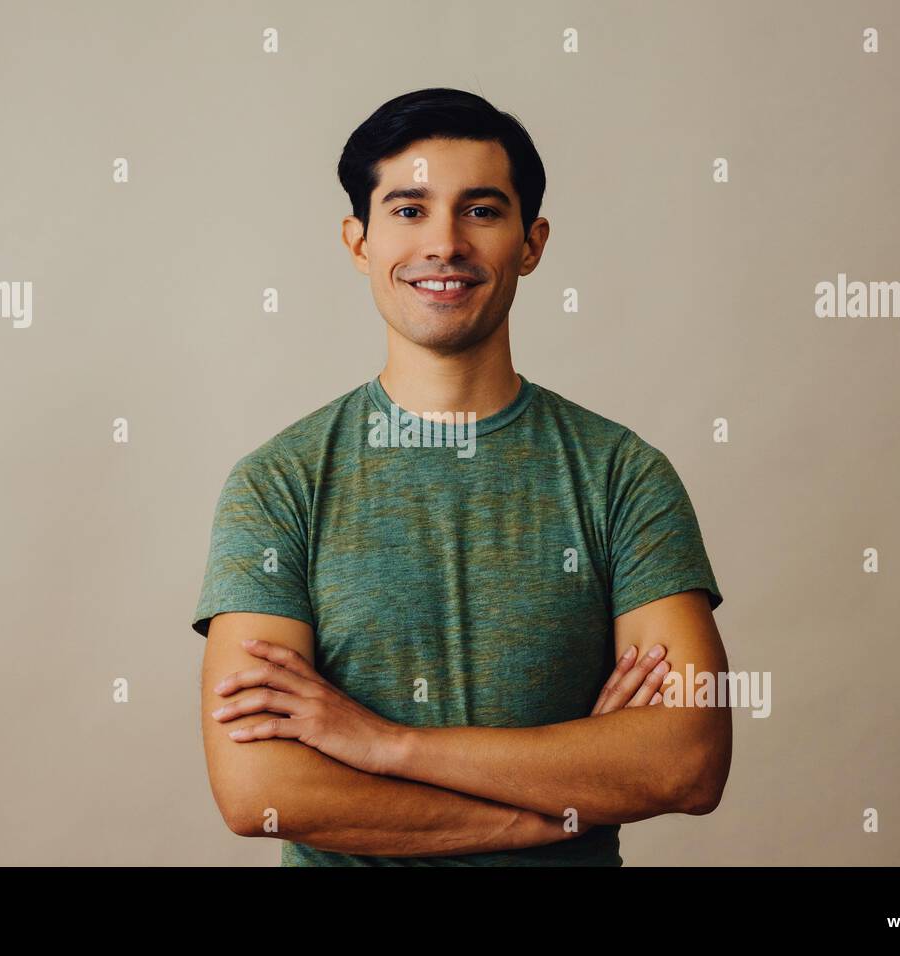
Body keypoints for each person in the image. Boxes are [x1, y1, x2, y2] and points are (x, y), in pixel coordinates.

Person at [192, 87, 730, 866]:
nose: (444, 243)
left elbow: (687, 760)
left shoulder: (623, 476)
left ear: (531, 242)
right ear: (358, 242)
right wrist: (552, 808)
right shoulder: (280, 484)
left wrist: (384, 744)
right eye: (409, 211)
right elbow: (259, 791)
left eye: (480, 210)